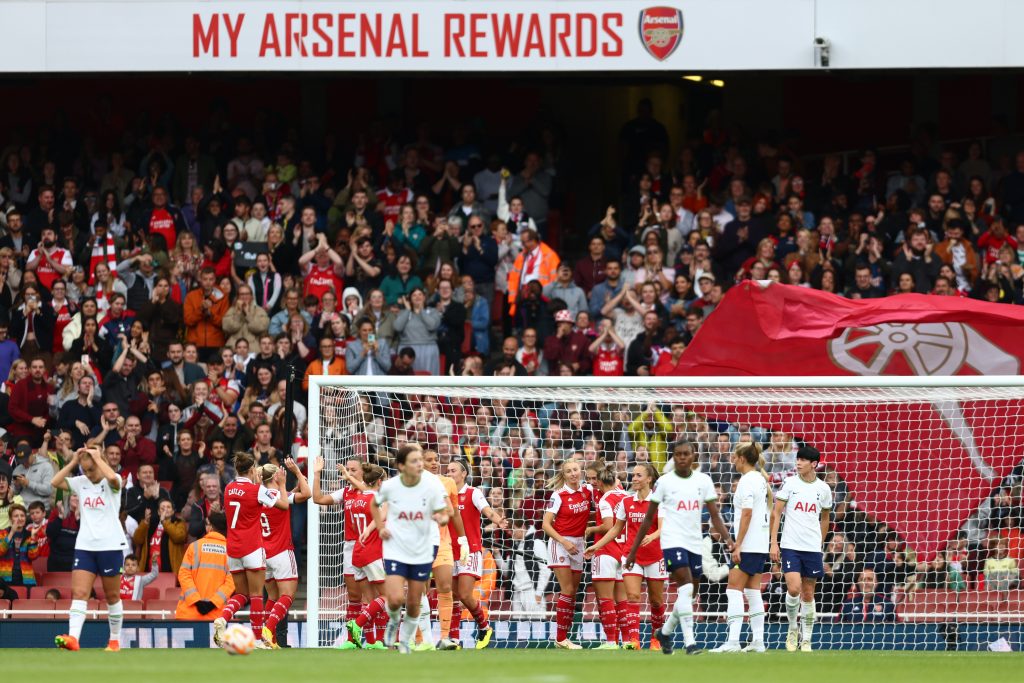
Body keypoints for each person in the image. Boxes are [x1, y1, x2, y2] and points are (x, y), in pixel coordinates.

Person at [625, 441, 733, 656]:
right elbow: (648, 519)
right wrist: (633, 551)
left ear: (694, 456)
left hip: (694, 542)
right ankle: (690, 643)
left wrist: (729, 540)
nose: (682, 457)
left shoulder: (704, 481)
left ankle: (664, 632)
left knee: (690, 594)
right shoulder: (664, 482)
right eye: (677, 454)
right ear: (673, 457)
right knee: (684, 588)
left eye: (686, 454)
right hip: (672, 541)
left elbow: (714, 515)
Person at [370, 443, 450, 654]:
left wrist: (441, 518)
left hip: (422, 549)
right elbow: (374, 504)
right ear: (401, 466)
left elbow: (445, 512)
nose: (420, 464)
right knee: (396, 598)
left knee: (414, 601)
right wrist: (380, 528)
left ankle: (405, 641)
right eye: (415, 461)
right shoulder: (390, 486)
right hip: (395, 547)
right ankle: (394, 621)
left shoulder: (432, 485)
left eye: (420, 460)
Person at [52, 446, 129, 652]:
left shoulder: (114, 481)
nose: (87, 474)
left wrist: (98, 458)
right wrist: (73, 462)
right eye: (84, 470)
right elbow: (55, 482)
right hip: (85, 545)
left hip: (111, 546)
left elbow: (112, 478)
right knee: (79, 592)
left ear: (99, 463)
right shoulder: (81, 483)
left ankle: (114, 640)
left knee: (112, 596)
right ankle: (73, 639)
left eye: (91, 469)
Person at [212, 451, 289, 650]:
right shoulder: (256, 490)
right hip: (252, 547)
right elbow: (283, 505)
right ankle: (256, 639)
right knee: (256, 595)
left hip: (233, 547)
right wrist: (280, 485)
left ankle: (222, 618)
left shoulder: (228, 488)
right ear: (252, 469)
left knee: (241, 593)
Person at [587, 463, 665, 650]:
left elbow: (663, 527)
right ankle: (633, 640)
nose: (634, 478)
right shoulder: (626, 501)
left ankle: (656, 639)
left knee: (656, 601)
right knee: (632, 596)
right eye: (633, 475)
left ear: (649, 479)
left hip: (655, 555)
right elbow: (615, 528)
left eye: (638, 475)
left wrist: (652, 536)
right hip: (631, 555)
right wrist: (596, 546)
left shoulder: (659, 502)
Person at [769, 446, 833, 652]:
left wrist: (819, 543)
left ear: (813, 464)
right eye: (798, 459)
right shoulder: (789, 483)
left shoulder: (823, 489)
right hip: (790, 546)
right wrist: (773, 542)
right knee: (794, 588)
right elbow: (776, 513)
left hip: (811, 547)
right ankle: (792, 628)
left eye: (803, 460)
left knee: (808, 593)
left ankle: (807, 639)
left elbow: (825, 518)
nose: (798, 463)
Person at [710, 443, 771, 653]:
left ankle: (733, 642)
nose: (732, 460)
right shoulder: (760, 479)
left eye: (734, 457)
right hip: (759, 544)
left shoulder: (746, 481)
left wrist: (738, 545)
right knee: (752, 592)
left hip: (749, 545)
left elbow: (747, 513)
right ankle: (758, 642)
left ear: (742, 459)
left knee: (733, 590)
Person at [311, 457, 372, 649]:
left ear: (363, 472)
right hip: (350, 547)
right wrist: (317, 473)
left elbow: (371, 493)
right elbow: (318, 499)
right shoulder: (345, 492)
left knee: (373, 596)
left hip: (371, 546)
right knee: (354, 596)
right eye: (347, 469)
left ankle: (374, 640)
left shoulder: (371, 492)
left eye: (354, 469)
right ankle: (352, 641)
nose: (349, 472)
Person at [446, 459, 506, 649]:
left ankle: (484, 626)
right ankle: (454, 639)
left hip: (470, 550)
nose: (449, 474)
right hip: (450, 550)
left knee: (464, 594)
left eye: (453, 470)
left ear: (464, 474)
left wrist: (498, 520)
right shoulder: (445, 496)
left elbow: (487, 510)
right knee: (454, 596)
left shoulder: (473, 492)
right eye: (447, 470)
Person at [256, 459, 310, 648]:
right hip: (281, 552)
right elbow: (307, 494)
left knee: (272, 597)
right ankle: (268, 630)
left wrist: (287, 489)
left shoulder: (260, 496)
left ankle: (267, 639)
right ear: (277, 476)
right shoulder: (280, 495)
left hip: (264, 554)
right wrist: (296, 471)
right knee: (287, 596)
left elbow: (288, 496)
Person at [541, 459, 592, 649]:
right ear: (564, 475)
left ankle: (564, 636)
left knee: (573, 592)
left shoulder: (588, 491)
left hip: (578, 544)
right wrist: (564, 541)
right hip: (560, 543)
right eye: (569, 471)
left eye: (576, 470)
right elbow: (545, 524)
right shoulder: (559, 495)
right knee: (567, 590)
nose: (573, 474)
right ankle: (561, 638)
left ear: (581, 470)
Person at [340, 463, 390, 649]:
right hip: (372, 552)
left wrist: (348, 476)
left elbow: (364, 489)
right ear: (379, 481)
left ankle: (371, 642)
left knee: (368, 601)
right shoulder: (378, 500)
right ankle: (357, 623)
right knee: (387, 596)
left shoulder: (356, 499)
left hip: (356, 553)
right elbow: (382, 517)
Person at [580, 467, 629, 649]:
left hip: (606, 550)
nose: (593, 483)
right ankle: (628, 641)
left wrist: (591, 529)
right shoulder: (625, 496)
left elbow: (608, 525)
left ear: (601, 482)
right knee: (622, 600)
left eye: (595, 480)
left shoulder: (605, 499)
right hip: (623, 552)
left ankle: (610, 641)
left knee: (605, 599)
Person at [176, 511, 234, 620]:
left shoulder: (194, 547)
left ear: (210, 527)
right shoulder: (231, 552)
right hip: (218, 615)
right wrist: (213, 603)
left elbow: (184, 575)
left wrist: (197, 601)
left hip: (189, 614)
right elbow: (231, 582)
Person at [0, 503, 41, 587]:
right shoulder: (3, 533)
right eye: (16, 516)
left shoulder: (30, 534)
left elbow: (33, 556)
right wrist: (11, 532)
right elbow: (1, 551)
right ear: (10, 518)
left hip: (26, 579)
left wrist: (33, 538)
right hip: (5, 578)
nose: (20, 518)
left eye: (22, 516)